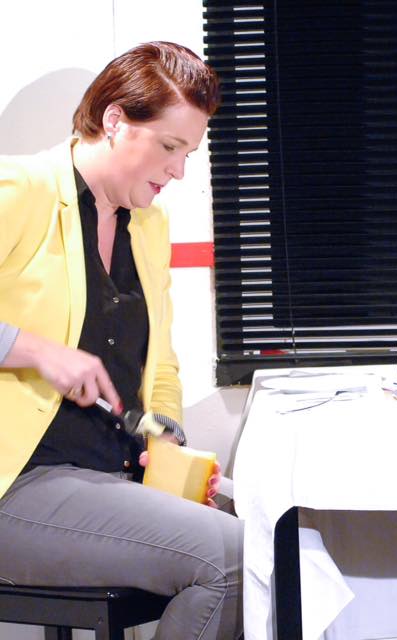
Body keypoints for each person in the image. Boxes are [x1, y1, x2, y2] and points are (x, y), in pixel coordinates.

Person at [0, 42, 242, 639]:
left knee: (279, 528)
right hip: (19, 483)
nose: (179, 171)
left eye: (188, 153)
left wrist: (164, 434)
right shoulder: (21, 188)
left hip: (110, 474)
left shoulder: (149, 226)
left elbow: (161, 367)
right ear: (114, 121)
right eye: (169, 146)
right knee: (232, 558)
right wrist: (34, 350)